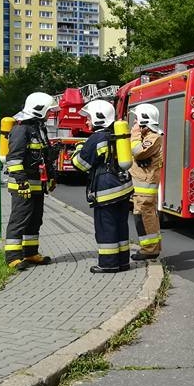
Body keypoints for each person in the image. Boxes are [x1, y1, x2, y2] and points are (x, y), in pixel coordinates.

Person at [71, 99, 134, 274]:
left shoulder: (95, 138)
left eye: (89, 118)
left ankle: (108, 264)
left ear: (99, 118)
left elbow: (80, 164)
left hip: (106, 190)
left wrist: (78, 148)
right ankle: (123, 262)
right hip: (123, 187)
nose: (86, 121)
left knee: (106, 228)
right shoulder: (117, 133)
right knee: (121, 225)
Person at [3, 92, 59, 270]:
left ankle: (30, 253)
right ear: (39, 109)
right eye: (48, 111)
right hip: (23, 184)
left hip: (37, 184)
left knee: (35, 220)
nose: (50, 114)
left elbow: (43, 157)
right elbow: (14, 159)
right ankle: (12, 257)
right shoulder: (21, 129)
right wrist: (21, 182)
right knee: (19, 220)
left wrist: (52, 177)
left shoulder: (38, 128)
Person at [129, 103, 164, 260]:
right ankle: (151, 248)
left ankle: (149, 250)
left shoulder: (154, 138)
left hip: (145, 187)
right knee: (144, 216)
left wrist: (135, 133)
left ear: (144, 120)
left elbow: (137, 152)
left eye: (137, 120)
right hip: (141, 186)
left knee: (145, 216)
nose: (135, 123)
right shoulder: (148, 137)